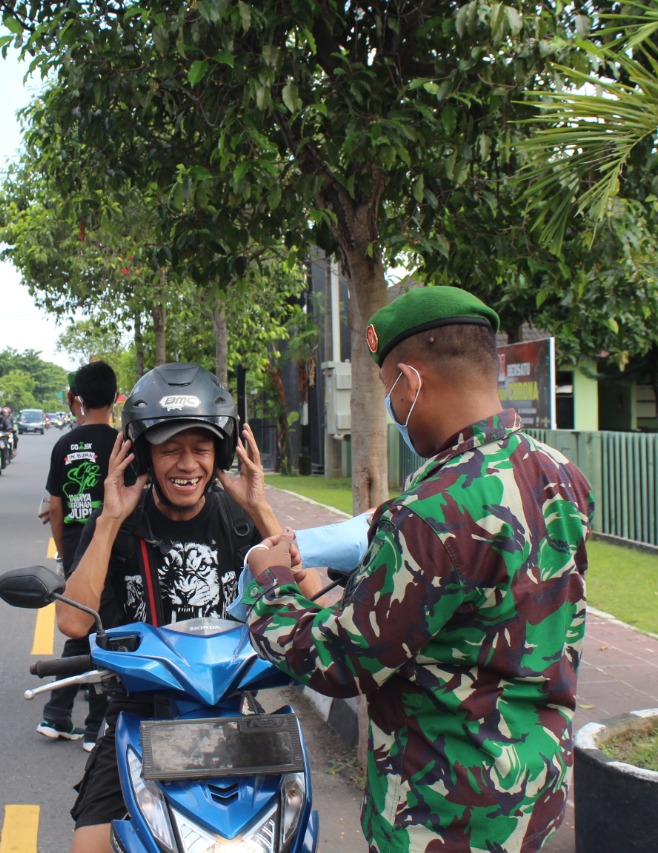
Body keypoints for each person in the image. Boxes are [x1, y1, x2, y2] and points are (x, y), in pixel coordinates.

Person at [242, 286, 595, 853]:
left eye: (388, 392)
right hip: (533, 790)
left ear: (410, 384)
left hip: (444, 814)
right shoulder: (559, 473)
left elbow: (337, 663)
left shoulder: (432, 513)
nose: (392, 407)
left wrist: (270, 583)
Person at [59, 362, 282, 853]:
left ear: (219, 454)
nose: (187, 464)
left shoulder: (242, 523)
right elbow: (73, 620)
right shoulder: (118, 526)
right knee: (89, 845)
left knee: (288, 832)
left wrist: (261, 509)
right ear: (143, 457)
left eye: (200, 449)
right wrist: (110, 518)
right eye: (170, 450)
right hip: (141, 712)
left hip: (230, 709)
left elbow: (304, 599)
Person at [35, 362, 119, 750]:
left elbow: (55, 505)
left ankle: (56, 715)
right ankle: (94, 727)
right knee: (108, 632)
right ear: (117, 398)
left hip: (75, 551)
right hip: (112, 553)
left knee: (80, 629)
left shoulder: (64, 445)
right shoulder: (121, 444)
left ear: (77, 401)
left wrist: (65, 552)